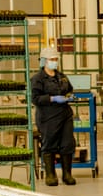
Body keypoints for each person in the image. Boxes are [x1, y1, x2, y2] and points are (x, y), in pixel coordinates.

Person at [30, 46, 76, 187]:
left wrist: (69, 96)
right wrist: (52, 99)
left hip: (65, 115)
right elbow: (35, 98)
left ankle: (67, 174)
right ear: (44, 61)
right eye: (52, 59)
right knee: (49, 144)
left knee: (67, 144)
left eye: (56, 59)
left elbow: (69, 89)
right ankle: (51, 175)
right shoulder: (38, 79)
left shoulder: (61, 77)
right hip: (48, 117)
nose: (54, 62)